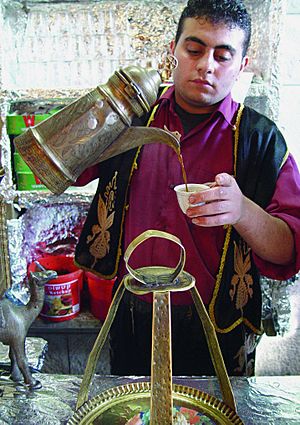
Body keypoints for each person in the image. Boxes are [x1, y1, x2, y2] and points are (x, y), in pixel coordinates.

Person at [75, 0, 300, 377]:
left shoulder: (260, 140)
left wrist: (242, 211)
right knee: (134, 413)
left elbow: (288, 250)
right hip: (133, 314)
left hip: (219, 323)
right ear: (173, 52)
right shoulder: (128, 120)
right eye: (194, 50)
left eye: (223, 56)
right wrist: (99, 107)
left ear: (242, 66)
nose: (206, 65)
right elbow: (60, 170)